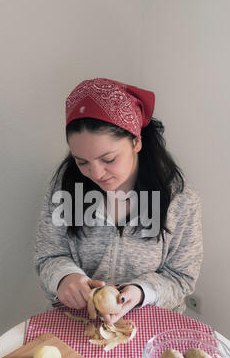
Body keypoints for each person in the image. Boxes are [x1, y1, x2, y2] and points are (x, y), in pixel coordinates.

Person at [33, 78, 203, 325]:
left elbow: (181, 277)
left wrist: (141, 292)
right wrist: (64, 277)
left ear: (136, 141)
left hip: (152, 325)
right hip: (78, 323)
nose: (97, 173)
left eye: (109, 159)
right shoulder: (65, 188)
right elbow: (49, 255)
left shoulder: (180, 200)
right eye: (82, 162)